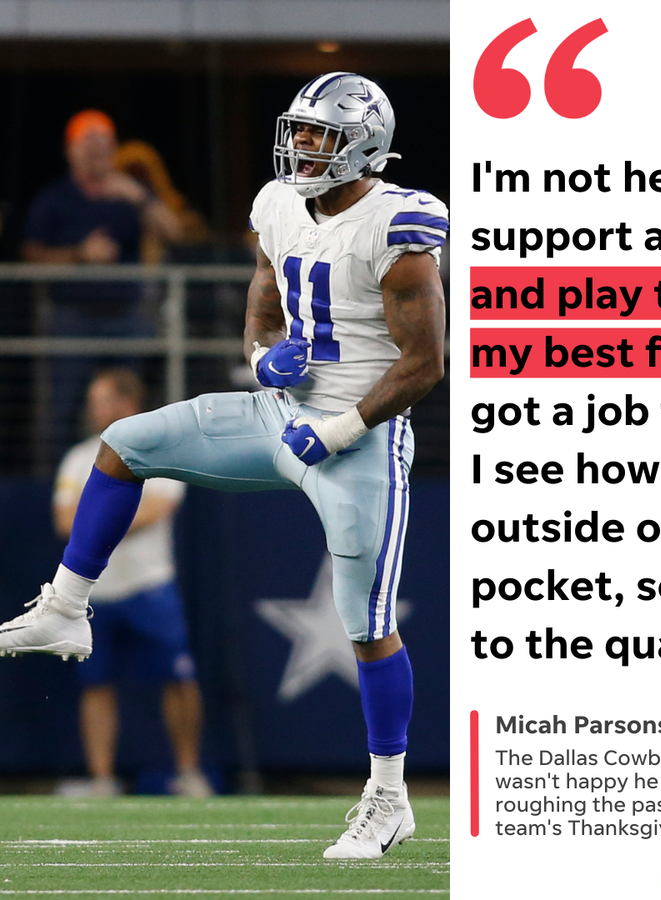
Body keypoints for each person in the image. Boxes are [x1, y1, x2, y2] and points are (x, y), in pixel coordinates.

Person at [0, 73, 447, 858]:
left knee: (367, 625)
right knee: (126, 444)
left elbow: (426, 364)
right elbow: (264, 289)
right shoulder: (279, 204)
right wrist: (260, 353)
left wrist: (339, 430)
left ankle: (387, 795)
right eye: (299, 132)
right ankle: (66, 606)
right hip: (279, 414)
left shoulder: (396, 226)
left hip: (361, 438)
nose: (303, 147)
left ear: (364, 142)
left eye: (320, 136)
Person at [52, 369, 213, 798]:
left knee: (179, 678)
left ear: (126, 404)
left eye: (101, 399)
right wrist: (114, 519)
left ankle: (189, 773)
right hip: (95, 595)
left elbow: (159, 507)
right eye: (91, 400)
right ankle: (102, 779)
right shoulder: (76, 458)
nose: (93, 409)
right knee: (95, 686)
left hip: (150, 587)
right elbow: (64, 521)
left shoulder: (161, 451)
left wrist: (97, 522)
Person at [22, 110, 183, 464]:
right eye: (88, 144)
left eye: (103, 145)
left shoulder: (129, 191)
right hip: (71, 319)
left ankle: (127, 474)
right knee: (63, 408)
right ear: (71, 150)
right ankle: (57, 483)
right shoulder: (55, 197)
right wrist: (80, 254)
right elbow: (31, 254)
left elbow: (175, 232)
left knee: (128, 406)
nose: (96, 152)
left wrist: (138, 196)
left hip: (126, 316)